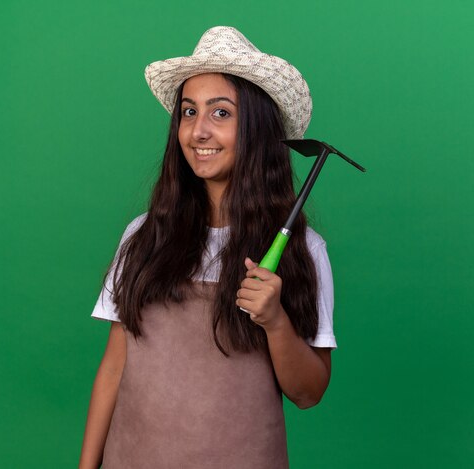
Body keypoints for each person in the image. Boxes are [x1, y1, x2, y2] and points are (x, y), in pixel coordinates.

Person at [79, 26, 337, 469]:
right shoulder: (142, 236)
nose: (198, 131)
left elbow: (308, 393)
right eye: (188, 112)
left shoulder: (302, 249)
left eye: (221, 114)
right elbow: (113, 368)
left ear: (256, 129)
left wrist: (275, 320)